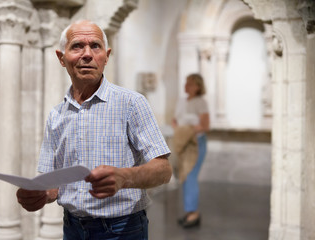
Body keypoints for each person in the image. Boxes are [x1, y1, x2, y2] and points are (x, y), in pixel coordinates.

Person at [16, 20, 172, 240]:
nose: (87, 54)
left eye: (95, 46)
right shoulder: (56, 115)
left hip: (122, 229)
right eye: (77, 45)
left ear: (106, 56)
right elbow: (53, 182)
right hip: (72, 228)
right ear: (61, 58)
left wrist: (125, 177)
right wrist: (40, 193)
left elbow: (164, 170)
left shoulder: (131, 103)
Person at [172, 73, 210, 228]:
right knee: (185, 176)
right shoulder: (181, 101)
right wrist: (179, 131)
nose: (186, 86)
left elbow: (205, 126)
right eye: (185, 82)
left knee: (191, 176)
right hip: (183, 143)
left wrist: (187, 130)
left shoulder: (201, 102)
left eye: (190, 84)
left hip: (196, 143)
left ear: (198, 87)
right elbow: (175, 120)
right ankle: (190, 212)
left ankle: (193, 214)